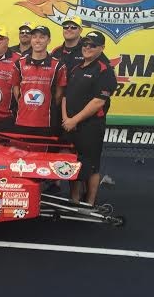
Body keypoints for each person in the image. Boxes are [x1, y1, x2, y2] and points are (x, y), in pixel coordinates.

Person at [62, 30, 117, 205]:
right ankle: (74, 199)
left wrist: (74, 120)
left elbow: (98, 102)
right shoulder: (76, 68)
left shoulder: (105, 70)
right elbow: (65, 95)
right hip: (70, 125)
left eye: (92, 45)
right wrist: (66, 119)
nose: (87, 48)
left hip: (90, 126)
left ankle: (90, 202)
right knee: (72, 162)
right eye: (85, 44)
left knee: (91, 166)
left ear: (102, 48)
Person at [11, 25, 67, 136]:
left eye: (42, 37)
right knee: (20, 153)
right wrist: (23, 103)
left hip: (46, 122)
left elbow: (59, 95)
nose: (37, 40)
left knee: (42, 153)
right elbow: (15, 86)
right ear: (31, 40)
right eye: (34, 37)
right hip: (22, 120)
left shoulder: (58, 65)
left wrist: (46, 106)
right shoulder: (19, 63)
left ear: (49, 40)